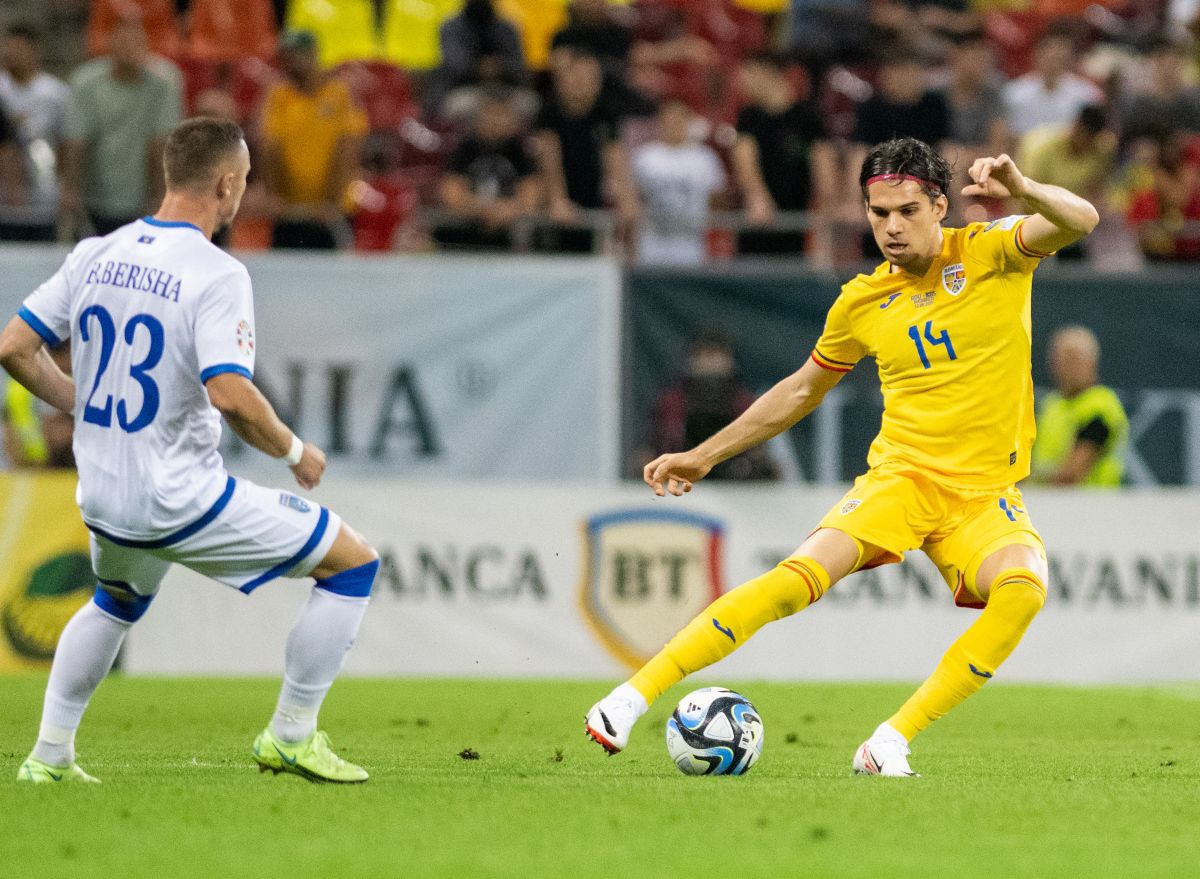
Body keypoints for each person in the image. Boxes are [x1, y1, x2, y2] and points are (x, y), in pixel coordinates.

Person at [586, 136, 1100, 776]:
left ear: (939, 205)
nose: (891, 227)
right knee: (791, 584)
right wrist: (704, 454)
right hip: (902, 480)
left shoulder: (993, 252)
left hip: (983, 495)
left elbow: (1082, 219)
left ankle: (889, 741)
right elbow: (801, 388)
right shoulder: (861, 300)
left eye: (907, 211)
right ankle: (630, 698)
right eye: (878, 213)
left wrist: (1022, 190)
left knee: (1023, 590)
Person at [1, 117, 380, 784]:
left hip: (103, 495)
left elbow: (13, 347)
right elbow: (230, 394)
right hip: (178, 495)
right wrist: (295, 450)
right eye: (245, 183)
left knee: (115, 601)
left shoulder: (96, 251)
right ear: (227, 184)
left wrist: (79, 403)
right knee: (351, 563)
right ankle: (291, 733)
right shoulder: (217, 272)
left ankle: (49, 756)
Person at [59, 13, 183, 238]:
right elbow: (76, 140)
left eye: (136, 43)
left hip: (142, 197)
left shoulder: (165, 81)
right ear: (110, 45)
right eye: (123, 43)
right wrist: (70, 189)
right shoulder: (86, 81)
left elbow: (161, 142)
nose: (129, 50)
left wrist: (159, 195)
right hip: (96, 195)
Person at [261, 29, 367, 250]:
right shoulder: (279, 96)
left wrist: (331, 204)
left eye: (294, 56)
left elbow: (347, 149)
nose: (287, 63)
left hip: (331, 214)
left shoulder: (340, 94)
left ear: (312, 55)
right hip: (288, 213)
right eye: (285, 57)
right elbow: (271, 148)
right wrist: (274, 197)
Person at [533, 45, 637, 253]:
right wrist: (558, 199)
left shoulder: (604, 114)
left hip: (591, 203)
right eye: (578, 77)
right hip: (556, 205)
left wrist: (626, 199)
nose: (584, 83)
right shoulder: (549, 113)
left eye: (591, 78)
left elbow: (615, 158)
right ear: (563, 81)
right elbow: (549, 159)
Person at [731, 52, 833, 256]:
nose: (742, 81)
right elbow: (744, 158)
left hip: (795, 225)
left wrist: (826, 210)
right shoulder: (748, 116)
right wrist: (757, 196)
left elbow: (822, 164)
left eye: (748, 74)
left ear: (767, 74)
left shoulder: (807, 117)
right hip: (756, 222)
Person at [631, 97, 725, 265]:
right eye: (669, 118)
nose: (674, 123)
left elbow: (716, 200)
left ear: (688, 121)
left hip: (691, 246)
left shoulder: (704, 158)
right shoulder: (645, 156)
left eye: (679, 118)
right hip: (652, 246)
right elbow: (633, 199)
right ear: (660, 122)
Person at [1031, 326, 1128, 486]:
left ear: (1092, 362)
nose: (1068, 366)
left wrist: (1030, 482)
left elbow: (1072, 473)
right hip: (1047, 503)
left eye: (1074, 358)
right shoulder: (1051, 405)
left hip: (1091, 503)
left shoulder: (1100, 407)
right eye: (1061, 359)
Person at [0, 22, 70, 242]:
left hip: (43, 196)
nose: (12, 54)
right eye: (8, 48)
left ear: (34, 51)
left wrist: (65, 185)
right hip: (4, 199)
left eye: (19, 49)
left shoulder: (56, 93)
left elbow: (65, 142)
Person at [1002, 21, 1103, 138]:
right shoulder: (1013, 93)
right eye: (1050, 53)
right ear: (1036, 54)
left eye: (1060, 57)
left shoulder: (1088, 96)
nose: (1054, 60)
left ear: (1070, 58)